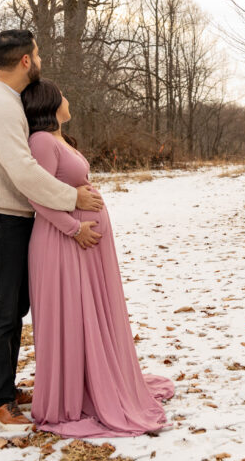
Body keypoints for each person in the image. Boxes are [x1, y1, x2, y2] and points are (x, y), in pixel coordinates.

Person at [0, 30, 105, 432]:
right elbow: (23, 170)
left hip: (12, 219)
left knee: (17, 307)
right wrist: (71, 199)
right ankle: (1, 400)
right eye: (38, 54)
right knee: (4, 309)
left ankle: (7, 387)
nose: (41, 60)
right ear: (26, 61)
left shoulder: (6, 101)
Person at [21, 78, 174, 438]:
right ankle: (72, 395)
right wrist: (74, 228)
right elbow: (37, 196)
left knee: (90, 314)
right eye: (63, 94)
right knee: (73, 315)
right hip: (64, 243)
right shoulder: (41, 141)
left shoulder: (58, 140)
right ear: (50, 103)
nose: (68, 98)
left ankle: (99, 378)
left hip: (84, 245)